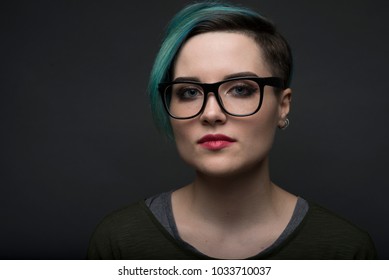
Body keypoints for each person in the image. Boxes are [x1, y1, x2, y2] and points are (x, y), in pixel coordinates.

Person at [87, 1, 376, 259]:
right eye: (189, 92)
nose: (211, 114)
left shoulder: (345, 252)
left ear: (282, 106)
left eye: (240, 89)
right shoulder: (119, 244)